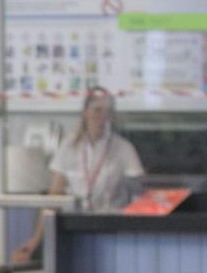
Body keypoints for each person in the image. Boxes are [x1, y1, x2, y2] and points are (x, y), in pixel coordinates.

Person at [13, 87, 146, 262]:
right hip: (76, 228)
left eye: (108, 112)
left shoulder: (123, 148)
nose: (102, 117)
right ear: (85, 113)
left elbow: (139, 192)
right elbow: (54, 197)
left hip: (111, 229)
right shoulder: (70, 147)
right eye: (97, 110)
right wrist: (35, 240)